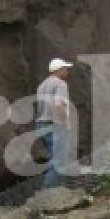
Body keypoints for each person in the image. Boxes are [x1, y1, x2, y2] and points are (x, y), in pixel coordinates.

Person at [35, 58, 72, 188]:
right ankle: (49, 192)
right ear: (59, 70)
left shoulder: (41, 86)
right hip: (54, 125)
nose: (67, 72)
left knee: (54, 157)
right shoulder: (61, 84)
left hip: (41, 124)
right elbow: (59, 105)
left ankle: (55, 189)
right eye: (65, 69)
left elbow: (40, 108)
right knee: (59, 159)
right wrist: (64, 124)